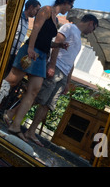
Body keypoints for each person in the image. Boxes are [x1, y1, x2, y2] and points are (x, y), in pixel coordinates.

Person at [4, 0, 76, 140]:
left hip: (42, 56)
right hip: (31, 51)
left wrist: (59, 46)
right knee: (12, 81)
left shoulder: (56, 20)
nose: (70, 8)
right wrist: (30, 48)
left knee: (34, 90)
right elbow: (35, 29)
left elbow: (46, 41)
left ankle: (15, 125)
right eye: (71, 5)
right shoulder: (46, 10)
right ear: (65, 2)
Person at [23, 14, 99, 146]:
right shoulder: (69, 27)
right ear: (91, 23)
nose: (92, 31)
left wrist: (68, 82)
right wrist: (51, 65)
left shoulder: (80, 40)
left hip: (64, 74)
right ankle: (12, 113)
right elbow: (57, 45)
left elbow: (72, 62)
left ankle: (31, 131)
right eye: (94, 28)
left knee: (48, 105)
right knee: (38, 97)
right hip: (56, 67)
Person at [5, 0, 41, 75]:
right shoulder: (17, 17)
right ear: (31, 7)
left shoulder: (27, 22)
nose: (37, 13)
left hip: (12, 55)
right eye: (36, 10)